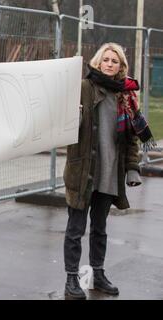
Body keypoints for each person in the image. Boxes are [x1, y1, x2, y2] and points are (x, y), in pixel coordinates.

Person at [63, 42, 155, 300]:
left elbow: (133, 138)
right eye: (106, 59)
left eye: (115, 60)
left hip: (109, 173)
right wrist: (76, 117)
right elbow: (66, 124)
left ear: (121, 66)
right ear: (97, 62)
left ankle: (98, 274)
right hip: (83, 172)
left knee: (100, 229)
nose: (110, 64)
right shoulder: (84, 88)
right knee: (75, 228)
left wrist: (132, 168)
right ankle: (71, 278)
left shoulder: (125, 97)